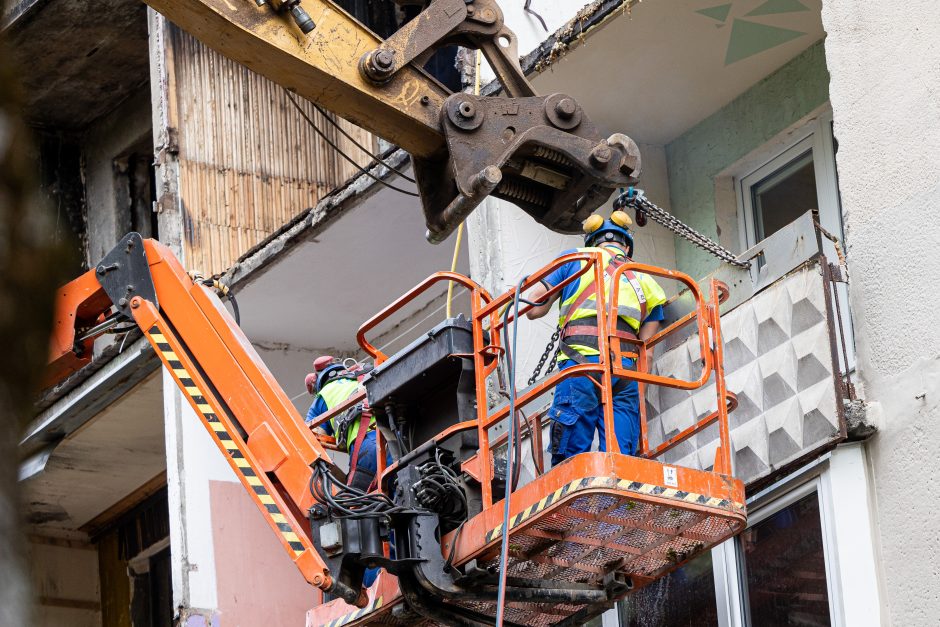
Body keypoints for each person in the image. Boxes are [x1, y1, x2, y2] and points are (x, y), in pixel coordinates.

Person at [525, 209, 667, 465]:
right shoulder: (646, 280)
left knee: (572, 461)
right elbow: (646, 348)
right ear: (626, 246)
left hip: (582, 365)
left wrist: (526, 289)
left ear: (592, 242)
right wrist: (634, 394)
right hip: (625, 374)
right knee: (621, 462)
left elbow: (534, 308)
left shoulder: (574, 259)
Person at [305, 356, 385, 588]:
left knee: (353, 513)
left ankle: (369, 586)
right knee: (395, 505)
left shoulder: (325, 394)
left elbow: (310, 432)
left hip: (368, 449)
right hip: (394, 443)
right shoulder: (363, 379)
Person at [305, 356, 379, 493]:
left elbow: (309, 442)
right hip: (398, 441)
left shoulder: (323, 396)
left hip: (367, 448)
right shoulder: (366, 376)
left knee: (356, 508)